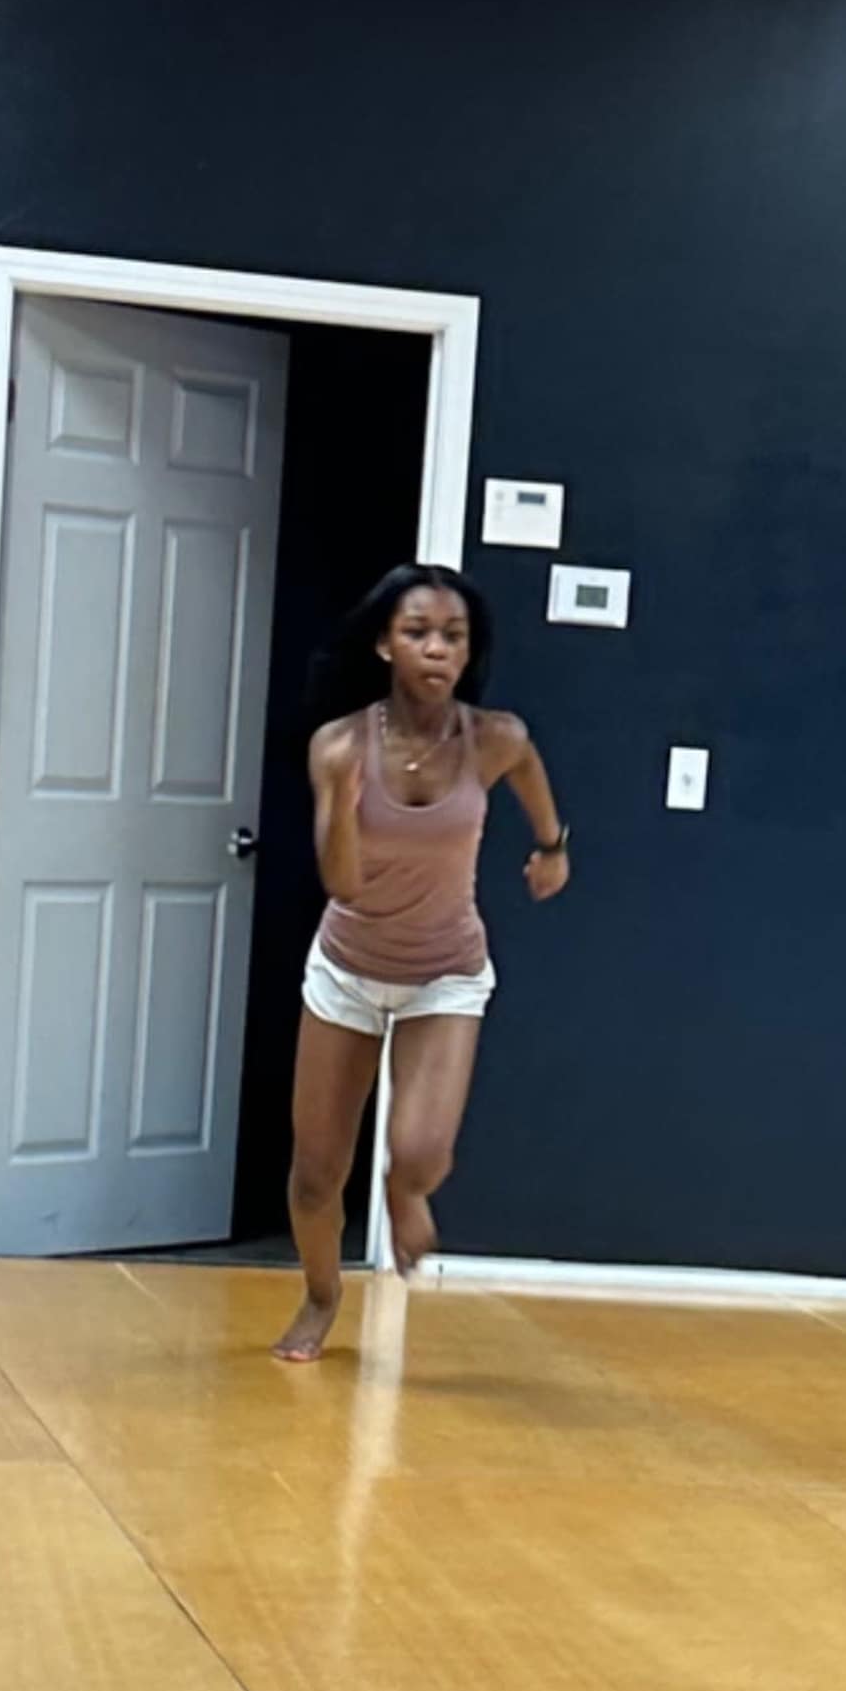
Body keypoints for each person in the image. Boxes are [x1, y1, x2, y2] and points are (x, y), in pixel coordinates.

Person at [275, 562, 568, 1362]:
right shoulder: (340, 746)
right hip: (347, 970)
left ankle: (401, 1192)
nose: (438, 649)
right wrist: (345, 800)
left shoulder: (494, 739)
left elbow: (532, 778)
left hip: (445, 972)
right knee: (314, 1176)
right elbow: (343, 883)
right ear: (384, 645)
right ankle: (321, 1295)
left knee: (419, 1154)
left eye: (453, 636)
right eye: (418, 633)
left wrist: (552, 847)